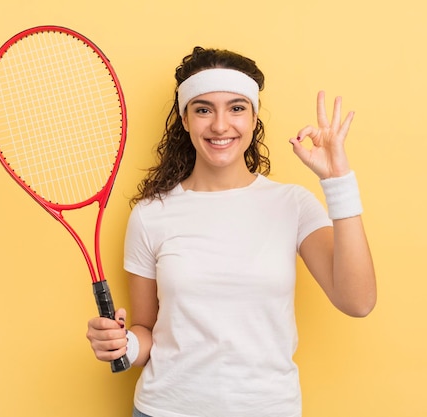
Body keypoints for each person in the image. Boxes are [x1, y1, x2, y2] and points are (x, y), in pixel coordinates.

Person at [86, 46, 377, 417]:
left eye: (236, 108)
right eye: (203, 109)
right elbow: (147, 332)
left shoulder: (293, 204)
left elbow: (358, 301)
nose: (220, 125)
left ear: (254, 118)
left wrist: (339, 182)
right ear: (185, 120)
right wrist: (122, 344)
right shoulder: (150, 215)